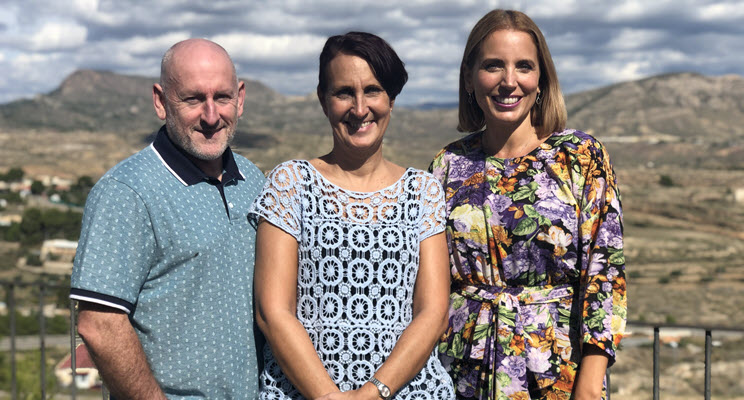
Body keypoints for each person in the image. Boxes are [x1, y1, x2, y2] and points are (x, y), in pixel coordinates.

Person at [429, 10, 626, 400]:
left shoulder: (579, 156)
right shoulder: (447, 165)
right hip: (462, 374)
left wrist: (590, 381)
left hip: (557, 374)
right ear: (469, 78)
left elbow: (606, 272)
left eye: (523, 66)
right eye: (493, 66)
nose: (509, 81)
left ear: (541, 79)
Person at [250, 32, 455, 400]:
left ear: (391, 99)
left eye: (372, 91)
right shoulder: (291, 184)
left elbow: (434, 313)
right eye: (344, 92)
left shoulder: (423, 191)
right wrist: (329, 396)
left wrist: (373, 393)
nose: (360, 109)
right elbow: (273, 312)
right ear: (323, 100)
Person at [70, 38, 265, 399]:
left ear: (240, 98)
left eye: (222, 97)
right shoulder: (127, 192)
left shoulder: (252, 180)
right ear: (160, 102)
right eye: (192, 99)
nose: (211, 116)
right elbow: (98, 324)